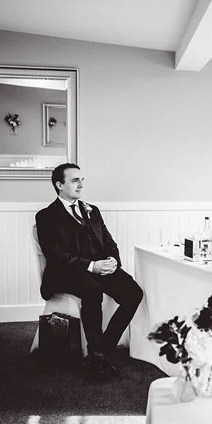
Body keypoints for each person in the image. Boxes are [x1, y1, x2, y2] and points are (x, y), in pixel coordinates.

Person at [35, 163, 144, 380]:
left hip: (100, 268)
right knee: (92, 290)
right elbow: (56, 255)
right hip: (67, 273)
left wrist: (113, 260)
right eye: (75, 180)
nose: (81, 184)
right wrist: (91, 266)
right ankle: (97, 355)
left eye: (82, 180)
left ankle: (100, 351)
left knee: (133, 293)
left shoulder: (92, 210)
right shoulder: (46, 216)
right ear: (59, 184)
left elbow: (109, 241)